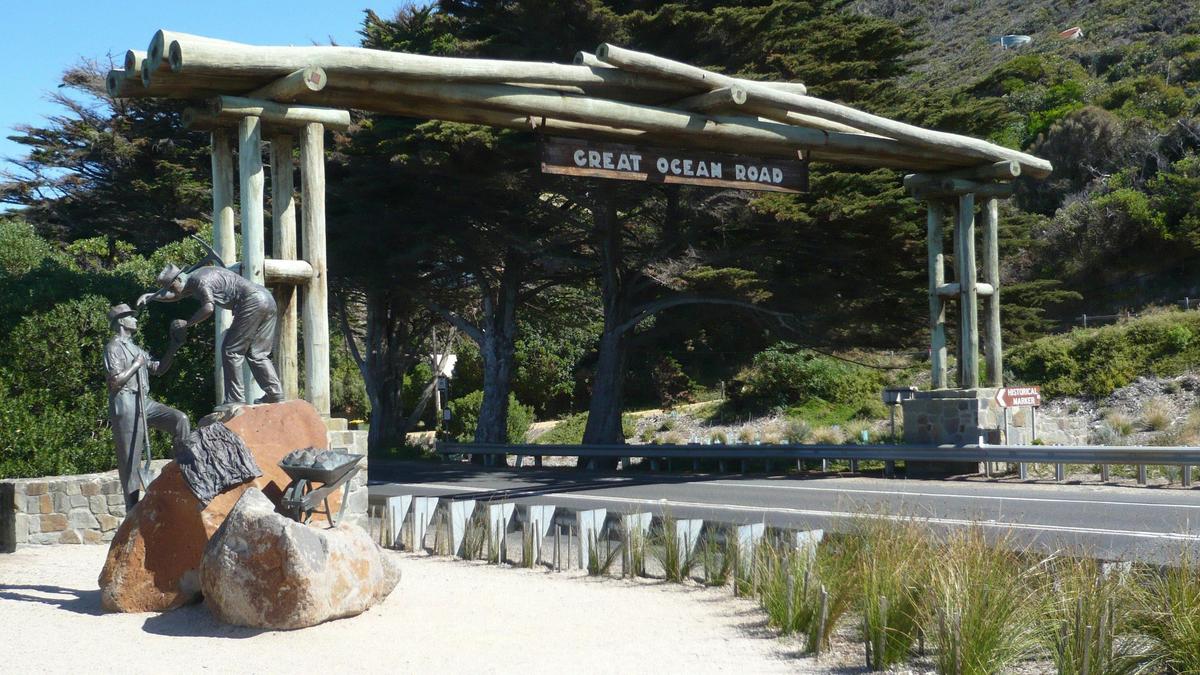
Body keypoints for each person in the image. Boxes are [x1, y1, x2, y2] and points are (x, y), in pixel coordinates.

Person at [138, 263, 284, 406]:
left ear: (178, 279)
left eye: (171, 287)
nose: (171, 291)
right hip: (267, 299)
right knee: (257, 353)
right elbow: (176, 295)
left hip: (251, 302)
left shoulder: (199, 281)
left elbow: (208, 308)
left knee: (231, 351)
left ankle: (235, 399)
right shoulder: (191, 280)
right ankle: (274, 393)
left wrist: (187, 323)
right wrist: (151, 296)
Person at [103, 303, 191, 509]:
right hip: (126, 403)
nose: (135, 320)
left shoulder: (136, 348)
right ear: (122, 322)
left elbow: (158, 368)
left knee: (180, 419)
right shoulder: (113, 348)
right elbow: (114, 382)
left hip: (145, 402)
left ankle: (183, 469)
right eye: (131, 317)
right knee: (130, 461)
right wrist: (136, 365)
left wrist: (174, 345)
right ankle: (132, 510)